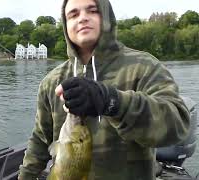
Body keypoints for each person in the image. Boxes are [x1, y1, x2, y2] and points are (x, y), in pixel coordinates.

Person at [18, 0, 190, 179]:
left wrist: (112, 102)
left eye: (92, 11)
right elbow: (40, 141)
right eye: (73, 14)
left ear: (107, 17)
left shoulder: (144, 67)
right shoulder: (51, 81)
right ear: (65, 25)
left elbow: (178, 125)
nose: (83, 18)